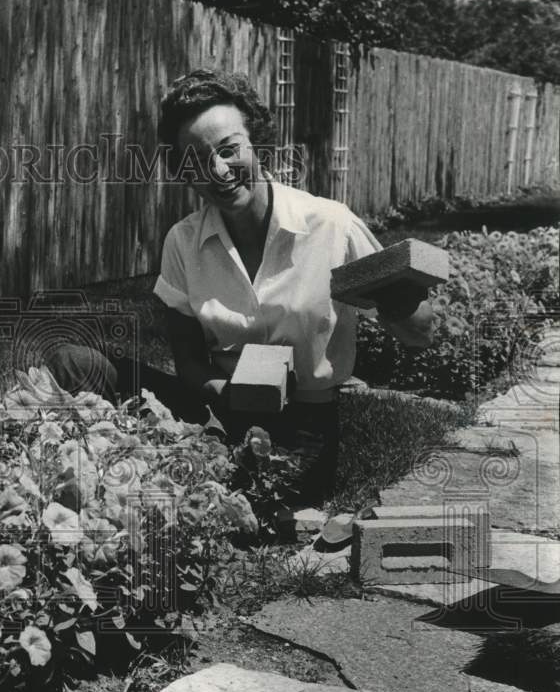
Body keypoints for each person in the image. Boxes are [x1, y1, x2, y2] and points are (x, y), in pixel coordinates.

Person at [47, 69, 434, 502]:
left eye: (229, 150)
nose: (218, 170)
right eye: (196, 160)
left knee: (245, 495)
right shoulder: (183, 241)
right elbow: (190, 365)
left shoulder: (331, 226)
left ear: (258, 145)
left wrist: (396, 299)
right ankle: (138, 460)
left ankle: (189, 468)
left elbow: (420, 334)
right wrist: (231, 398)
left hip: (302, 424)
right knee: (72, 363)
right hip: (219, 405)